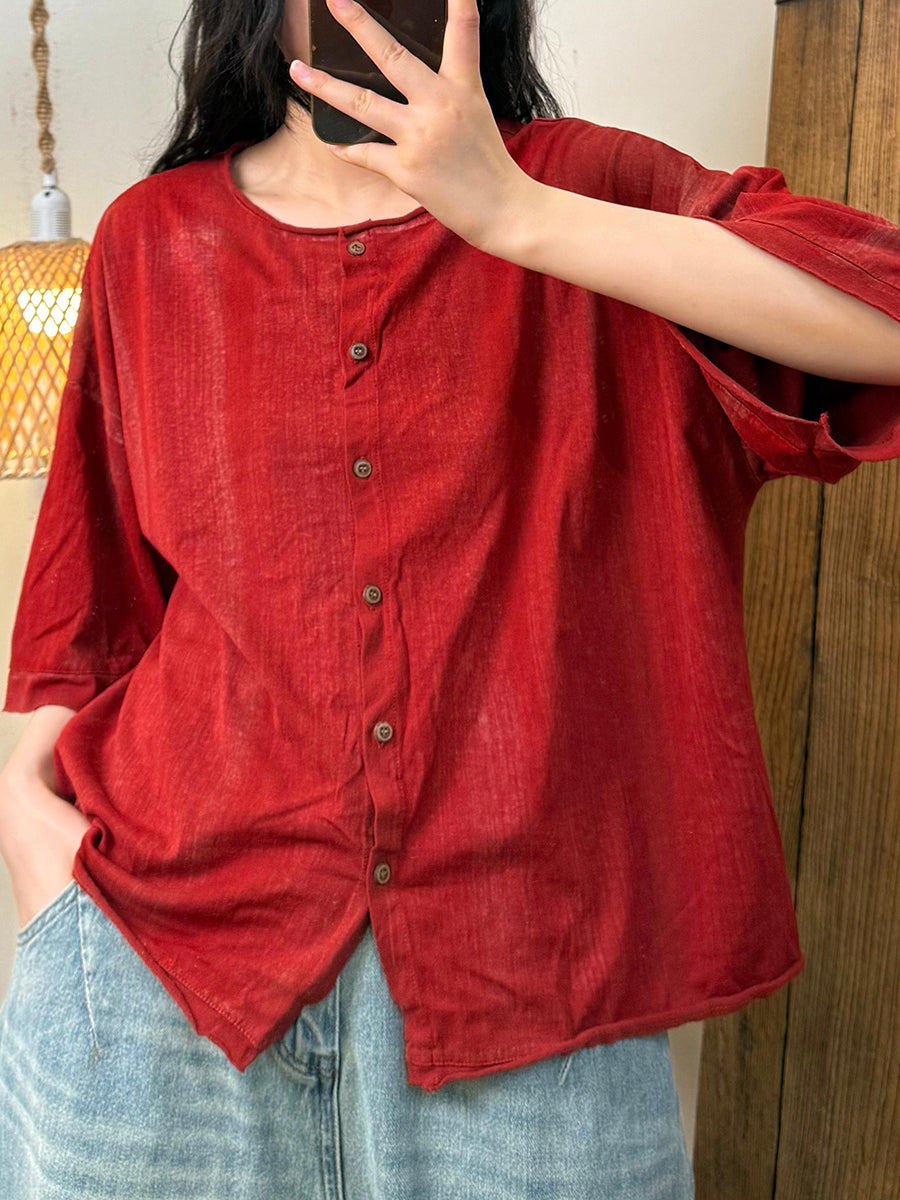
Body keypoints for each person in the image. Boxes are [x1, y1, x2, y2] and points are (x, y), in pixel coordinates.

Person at [2, 0, 899, 1196]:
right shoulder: (153, 239)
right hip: (161, 978)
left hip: (530, 994)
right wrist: (28, 829)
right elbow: (90, 602)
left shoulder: (586, 190)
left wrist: (513, 214)